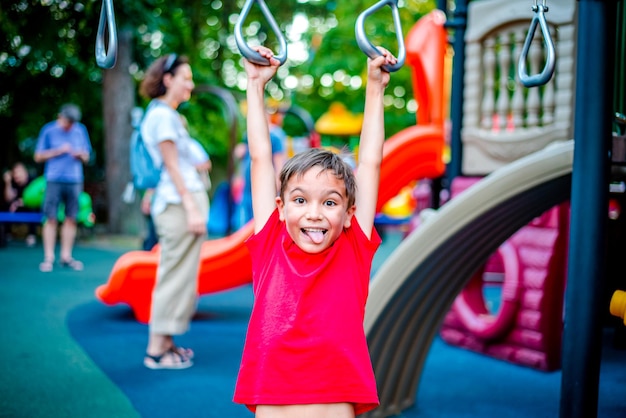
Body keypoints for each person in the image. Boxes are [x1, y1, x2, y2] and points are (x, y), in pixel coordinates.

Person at [233, 46, 396, 417]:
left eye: (329, 203)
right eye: (301, 201)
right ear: (281, 207)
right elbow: (260, 158)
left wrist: (375, 88)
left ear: (349, 213)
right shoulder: (271, 241)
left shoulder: (353, 246)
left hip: (333, 400)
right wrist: (255, 86)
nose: (315, 214)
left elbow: (370, 162)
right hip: (274, 397)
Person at [138, 53, 208, 369]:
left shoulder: (167, 114)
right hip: (179, 205)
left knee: (181, 275)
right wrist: (192, 207)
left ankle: (167, 342)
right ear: (168, 80)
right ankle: (155, 350)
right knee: (173, 275)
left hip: (181, 203)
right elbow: (171, 167)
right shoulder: (163, 116)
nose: (190, 84)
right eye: (186, 77)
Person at [34, 104, 92, 272]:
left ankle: (66, 256)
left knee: (71, 218)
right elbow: (38, 156)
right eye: (68, 122)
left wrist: (81, 155)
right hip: (53, 179)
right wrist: (57, 151)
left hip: (74, 179)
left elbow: (87, 156)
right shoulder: (48, 130)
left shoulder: (80, 130)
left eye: (72, 123)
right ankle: (48, 257)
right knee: (50, 217)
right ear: (60, 117)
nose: (70, 126)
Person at [233, 102, 286, 229]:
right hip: (248, 181)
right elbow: (242, 154)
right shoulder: (250, 133)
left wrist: (278, 183)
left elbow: (279, 160)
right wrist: (238, 175)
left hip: (264, 181)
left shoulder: (275, 134)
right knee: (245, 211)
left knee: (262, 212)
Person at [2, 162, 38, 247]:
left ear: (25, 172)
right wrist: (8, 183)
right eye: (14, 173)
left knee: (33, 209)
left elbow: (36, 199)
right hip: (15, 208)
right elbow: (8, 198)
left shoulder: (32, 181)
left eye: (19, 172)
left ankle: (31, 235)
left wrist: (19, 203)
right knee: (6, 207)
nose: (17, 175)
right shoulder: (13, 182)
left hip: (28, 206)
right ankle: (7, 234)